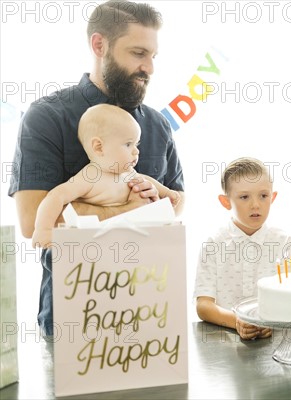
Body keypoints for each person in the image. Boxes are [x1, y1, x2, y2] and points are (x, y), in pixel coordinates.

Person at [8, 0, 185, 339]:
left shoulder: (159, 125)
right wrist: (132, 210)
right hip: (74, 320)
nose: (149, 67)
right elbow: (34, 223)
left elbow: (179, 201)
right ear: (99, 45)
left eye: (153, 56)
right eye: (138, 53)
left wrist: (161, 198)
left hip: (151, 311)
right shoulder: (47, 118)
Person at [31, 104, 181, 248]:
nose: (136, 151)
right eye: (128, 144)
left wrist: (165, 192)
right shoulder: (90, 176)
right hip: (95, 245)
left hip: (131, 243)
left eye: (137, 144)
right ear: (99, 147)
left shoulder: (127, 172)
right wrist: (43, 229)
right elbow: (56, 196)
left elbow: (145, 179)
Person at [194, 157, 291, 340]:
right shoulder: (213, 245)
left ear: (272, 198)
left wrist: (273, 320)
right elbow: (203, 306)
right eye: (244, 197)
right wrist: (238, 321)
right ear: (226, 202)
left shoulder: (286, 243)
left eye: (263, 196)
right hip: (225, 348)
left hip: (276, 345)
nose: (255, 204)